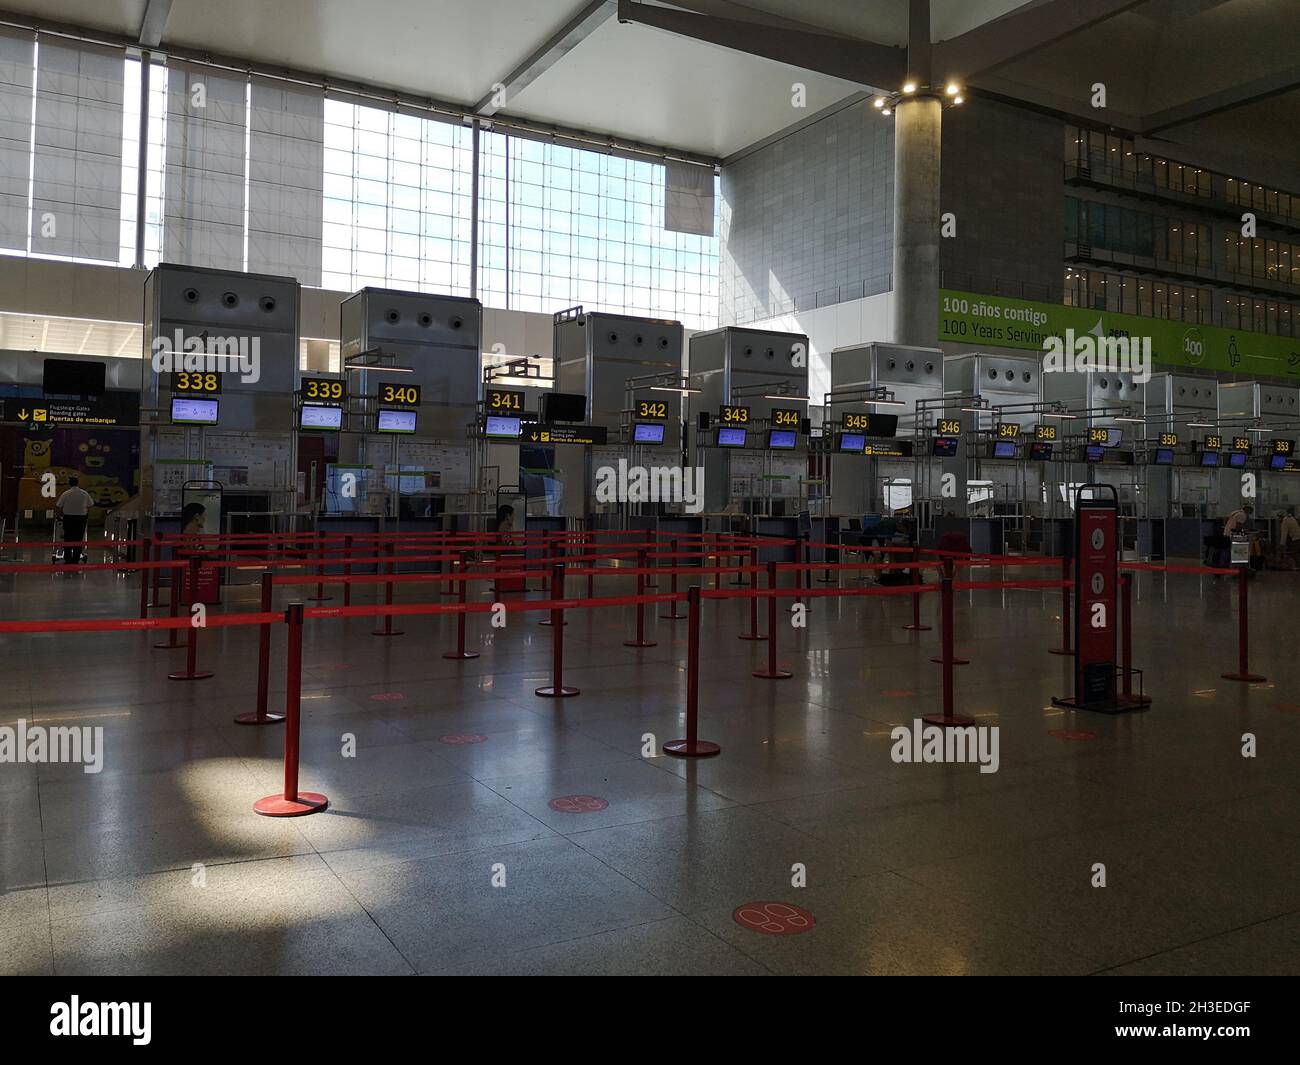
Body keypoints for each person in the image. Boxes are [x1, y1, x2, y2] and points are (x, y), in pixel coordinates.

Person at [54, 476, 94, 565]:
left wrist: (59, 515)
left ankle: (68, 558)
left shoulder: (66, 493)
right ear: (77, 483)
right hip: (81, 518)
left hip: (68, 518)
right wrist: (86, 514)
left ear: (70, 483)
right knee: (78, 538)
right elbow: (90, 505)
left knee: (68, 537)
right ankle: (76, 557)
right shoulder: (84, 493)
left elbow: (58, 506)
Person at [1280, 506, 1300, 570]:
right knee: (1296, 552)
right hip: (1298, 536)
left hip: (1296, 538)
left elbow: (1284, 534)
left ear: (1281, 517)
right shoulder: (1291, 518)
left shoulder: (1285, 521)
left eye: (1279, 517)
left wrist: (1282, 544)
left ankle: (1298, 565)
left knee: (1294, 552)